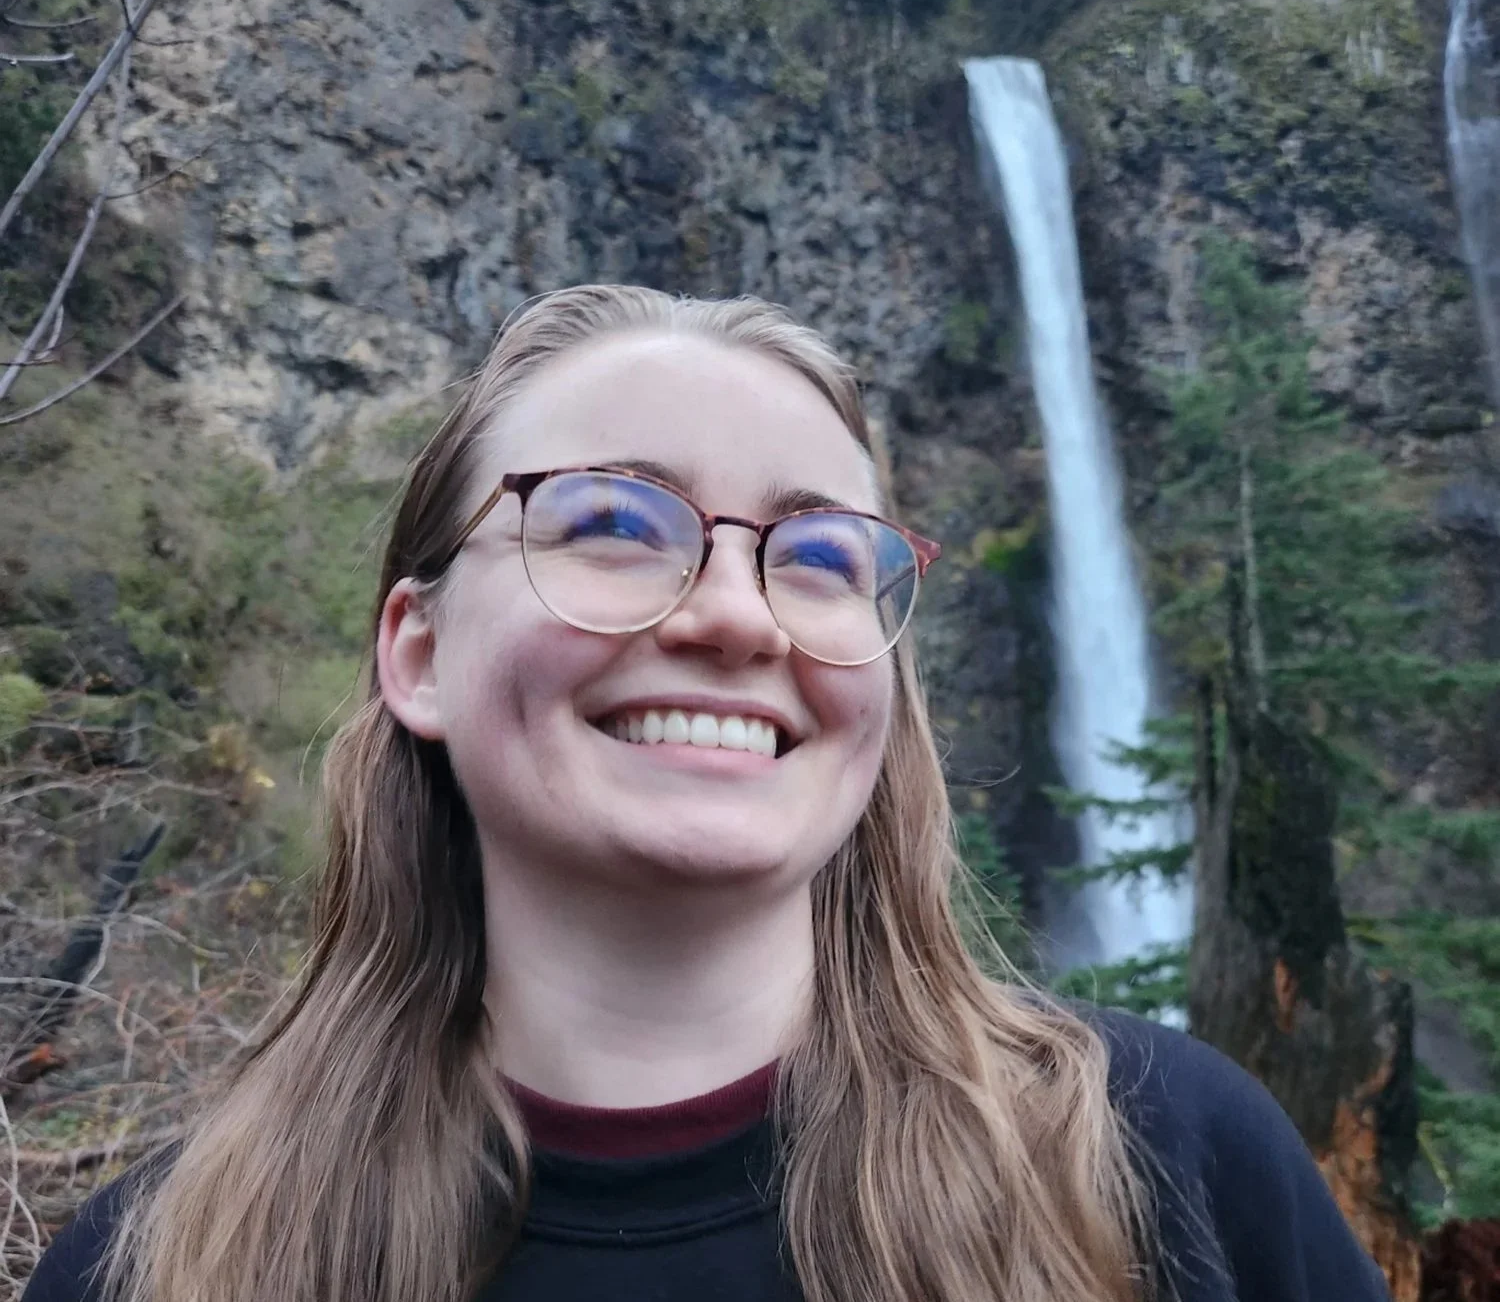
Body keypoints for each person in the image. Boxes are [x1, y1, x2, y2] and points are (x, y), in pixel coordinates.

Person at [25, 286, 1391, 1302]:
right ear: (419, 654)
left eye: (820, 554)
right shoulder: (151, 1267)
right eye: (616, 524)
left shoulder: (1169, 1161)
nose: (738, 616)